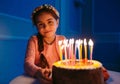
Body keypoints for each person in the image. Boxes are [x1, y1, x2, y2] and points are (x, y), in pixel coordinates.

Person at [24, 4, 65, 84]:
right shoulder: (34, 40)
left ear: (57, 22)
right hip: (41, 78)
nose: (46, 27)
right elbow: (27, 63)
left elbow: (71, 60)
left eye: (50, 22)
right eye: (40, 24)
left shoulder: (62, 39)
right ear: (36, 26)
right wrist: (38, 72)